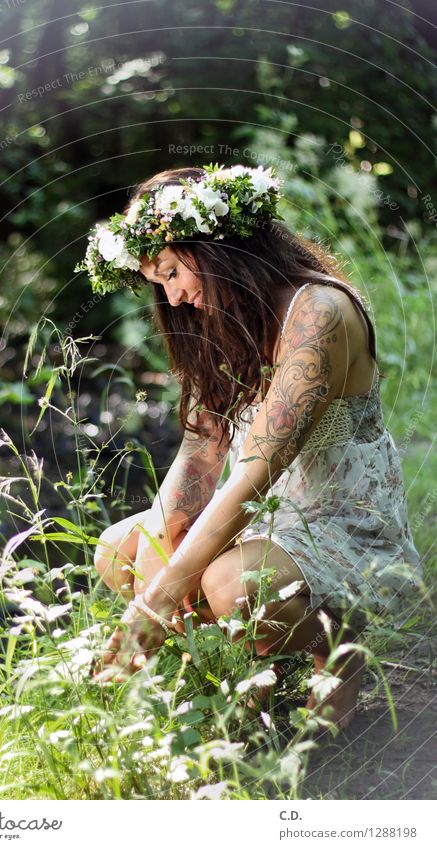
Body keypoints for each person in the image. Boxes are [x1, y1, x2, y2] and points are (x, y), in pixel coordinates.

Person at [77, 163, 423, 730]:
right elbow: (202, 452)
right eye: (158, 283)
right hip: (265, 518)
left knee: (229, 586)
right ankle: (244, 677)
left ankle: (341, 643)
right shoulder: (221, 319)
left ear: (218, 245)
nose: (176, 294)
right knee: (123, 551)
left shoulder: (319, 312)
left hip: (337, 519)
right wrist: (160, 553)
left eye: (172, 271)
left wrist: (163, 596)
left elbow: (255, 472)